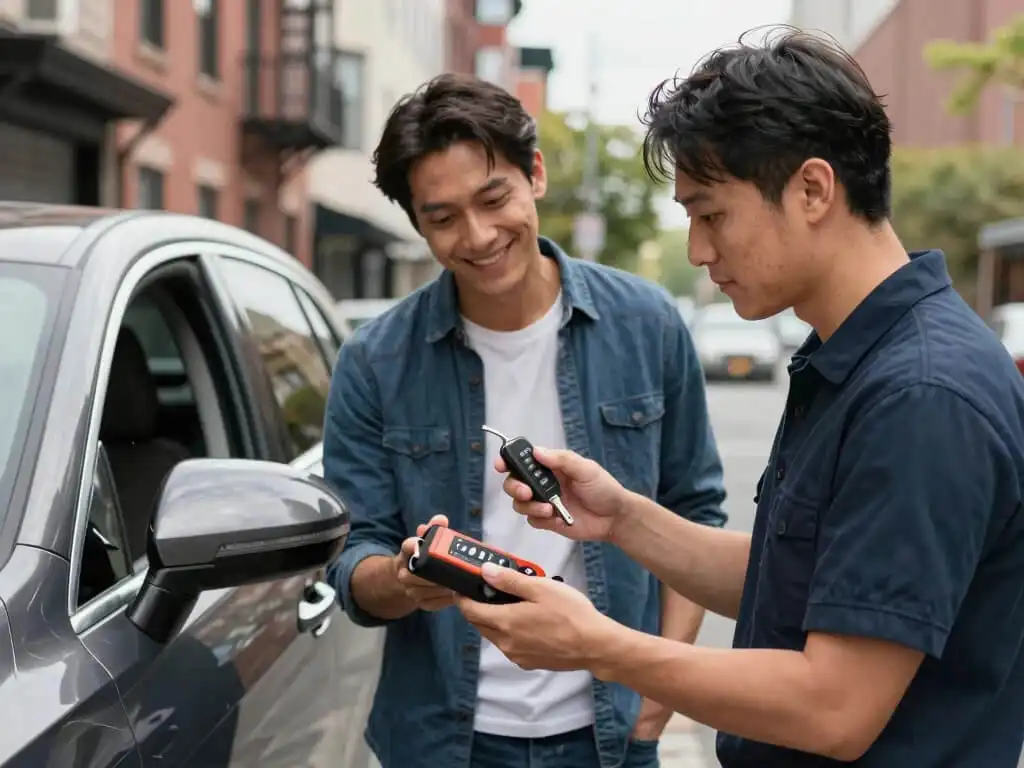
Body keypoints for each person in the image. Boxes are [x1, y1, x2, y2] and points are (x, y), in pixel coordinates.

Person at [456, 28, 1024, 768]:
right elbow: (794, 583)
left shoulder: (921, 395)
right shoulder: (856, 358)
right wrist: (622, 518)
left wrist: (599, 646)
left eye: (711, 213)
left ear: (813, 190)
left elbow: (833, 705)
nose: (697, 250)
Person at [323, 73, 727, 768]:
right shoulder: (373, 361)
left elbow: (695, 511)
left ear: (533, 174)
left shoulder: (647, 324)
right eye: (443, 218)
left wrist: (658, 689)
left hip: (610, 734)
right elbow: (352, 556)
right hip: (440, 743)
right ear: (416, 224)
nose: (478, 236)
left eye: (493, 198)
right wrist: (404, 580)